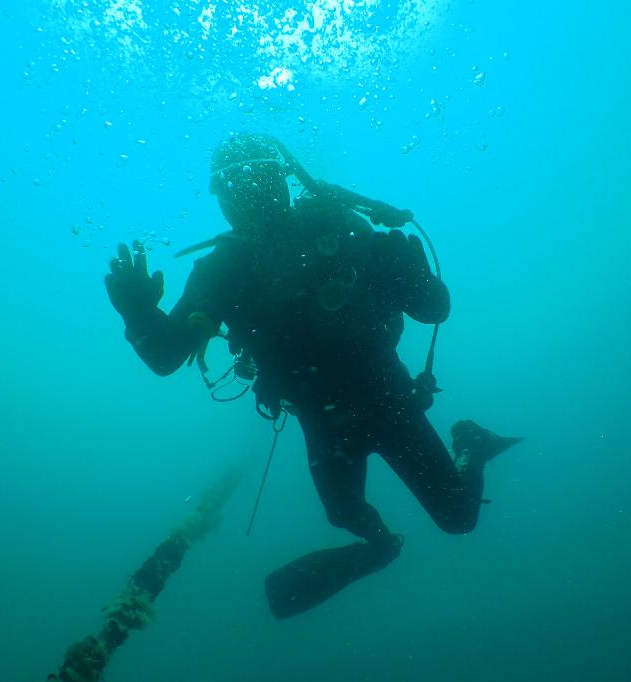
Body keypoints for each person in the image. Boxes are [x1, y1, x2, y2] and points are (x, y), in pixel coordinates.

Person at [105, 133, 521, 618]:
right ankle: (383, 546)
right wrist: (137, 315)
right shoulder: (224, 271)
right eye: (232, 189)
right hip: (322, 421)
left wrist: (411, 271)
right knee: (343, 513)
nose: (246, 197)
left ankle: (468, 443)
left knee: (457, 520)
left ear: (280, 184)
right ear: (222, 198)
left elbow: (435, 309)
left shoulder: (343, 236)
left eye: (254, 183)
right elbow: (165, 356)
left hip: (388, 401)